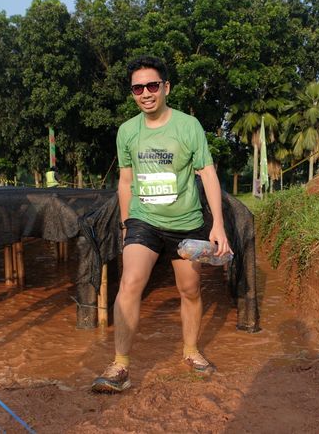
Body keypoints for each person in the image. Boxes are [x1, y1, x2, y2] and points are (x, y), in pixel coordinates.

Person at [92, 56, 232, 393]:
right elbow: (126, 181)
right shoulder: (127, 131)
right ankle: (120, 366)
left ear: (166, 88)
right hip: (144, 220)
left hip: (186, 223)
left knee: (190, 290)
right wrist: (126, 224)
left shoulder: (188, 126)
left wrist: (218, 225)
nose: (145, 93)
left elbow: (207, 173)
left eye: (152, 86)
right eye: (137, 88)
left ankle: (191, 351)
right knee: (130, 283)